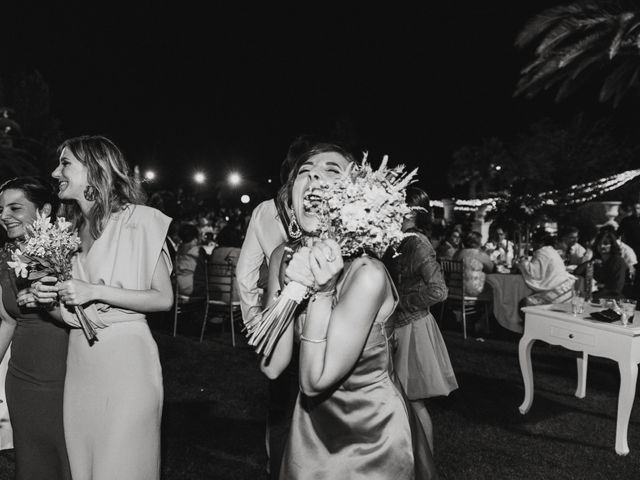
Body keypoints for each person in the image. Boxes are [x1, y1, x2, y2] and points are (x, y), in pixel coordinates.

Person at [260, 143, 424, 480]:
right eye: (304, 172)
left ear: (356, 197)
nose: (313, 175)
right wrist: (289, 287)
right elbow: (273, 367)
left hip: (371, 437)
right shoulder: (282, 257)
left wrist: (322, 290)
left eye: (331, 170)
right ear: (291, 199)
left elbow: (314, 380)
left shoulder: (367, 274)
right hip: (309, 429)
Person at [31, 136, 173, 480]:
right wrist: (44, 299)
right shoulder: (69, 231)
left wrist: (95, 291)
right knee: (87, 465)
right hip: (81, 364)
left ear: (95, 169)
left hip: (127, 361)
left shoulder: (140, 220)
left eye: (65, 163)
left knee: (121, 465)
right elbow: (72, 315)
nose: (55, 171)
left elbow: (163, 299)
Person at [0, 176, 71, 479]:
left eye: (15, 208)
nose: (4, 216)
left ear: (43, 210)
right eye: (1, 209)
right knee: (30, 464)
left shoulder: (67, 253)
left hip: (64, 379)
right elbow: (7, 319)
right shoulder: (5, 258)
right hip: (21, 381)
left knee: (69, 461)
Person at [385, 187, 457, 452]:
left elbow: (439, 290)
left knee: (413, 400)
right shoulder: (400, 239)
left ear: (413, 211)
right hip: (398, 325)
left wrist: (401, 303)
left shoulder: (415, 243)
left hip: (411, 327)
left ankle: (424, 464)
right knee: (400, 399)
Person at [517, 231, 575, 305]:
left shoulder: (542, 252)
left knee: (525, 303)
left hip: (559, 293)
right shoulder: (551, 251)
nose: (532, 244)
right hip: (566, 291)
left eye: (533, 242)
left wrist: (522, 262)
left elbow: (535, 273)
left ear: (538, 242)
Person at [454, 231, 495, 296]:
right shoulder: (480, 254)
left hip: (455, 289)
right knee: (495, 288)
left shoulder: (457, 253)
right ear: (478, 242)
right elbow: (491, 268)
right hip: (473, 290)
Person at [591, 230, 627, 300]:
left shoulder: (618, 261)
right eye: (599, 243)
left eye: (605, 243)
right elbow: (577, 272)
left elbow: (616, 287)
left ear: (612, 245)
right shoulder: (596, 260)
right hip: (596, 294)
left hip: (612, 297)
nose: (602, 246)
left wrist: (599, 286)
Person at [175, 223, 207, 296]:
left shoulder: (179, 250)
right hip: (193, 287)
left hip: (178, 287)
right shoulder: (198, 251)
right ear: (195, 238)